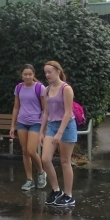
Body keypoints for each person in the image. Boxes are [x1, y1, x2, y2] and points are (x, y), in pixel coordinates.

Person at [39, 61, 77, 208]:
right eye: (46, 73)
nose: (47, 75)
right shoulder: (47, 90)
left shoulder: (66, 89)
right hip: (52, 126)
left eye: (50, 72)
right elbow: (46, 112)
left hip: (66, 126)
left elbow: (68, 112)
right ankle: (56, 190)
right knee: (45, 159)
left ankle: (69, 195)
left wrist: (60, 133)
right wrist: (42, 131)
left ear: (58, 72)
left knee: (65, 161)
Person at [9, 64, 47, 191]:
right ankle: (29, 179)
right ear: (22, 75)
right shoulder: (19, 87)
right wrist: (12, 126)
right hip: (22, 122)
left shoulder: (39, 88)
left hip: (35, 122)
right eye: (25, 74)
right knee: (25, 151)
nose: (28, 77)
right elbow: (16, 107)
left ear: (34, 74)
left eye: (30, 74)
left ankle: (41, 172)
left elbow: (45, 108)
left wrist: (44, 126)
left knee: (31, 150)